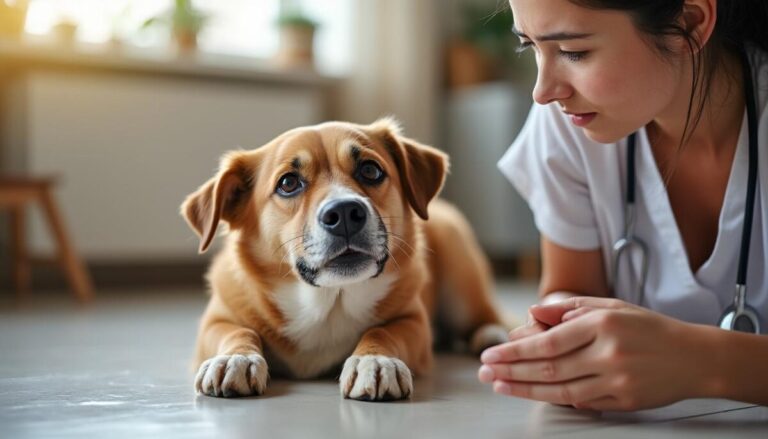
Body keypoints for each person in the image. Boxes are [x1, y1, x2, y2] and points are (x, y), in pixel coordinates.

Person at [478, 0, 768, 411]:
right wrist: (562, 332)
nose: (542, 92)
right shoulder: (568, 124)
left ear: (689, 21)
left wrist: (700, 361)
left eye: (573, 52)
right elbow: (571, 288)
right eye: (530, 47)